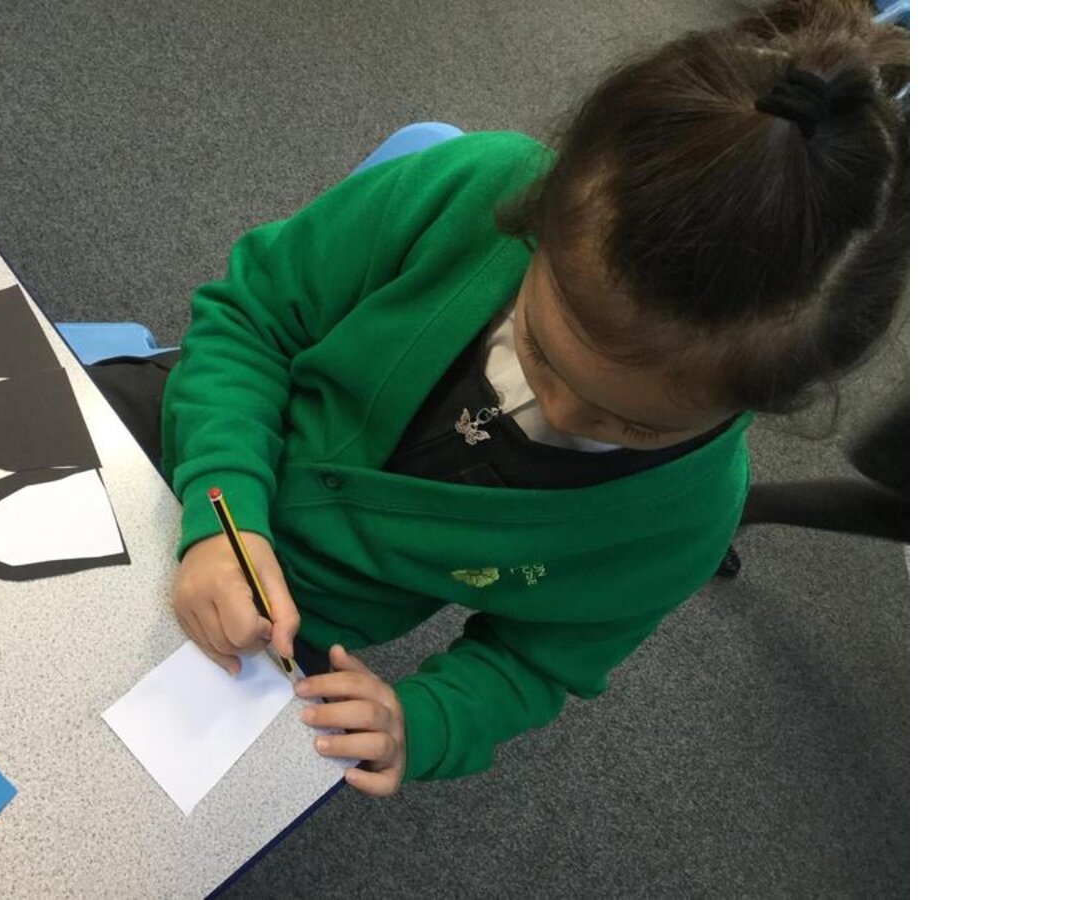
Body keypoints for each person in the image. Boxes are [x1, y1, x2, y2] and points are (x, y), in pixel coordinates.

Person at [88, 0, 909, 796]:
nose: (564, 414)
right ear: (537, 217)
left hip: (283, 629)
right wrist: (222, 504)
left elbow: (534, 663)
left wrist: (420, 722)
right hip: (179, 436)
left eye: (633, 424)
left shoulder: (683, 521)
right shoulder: (469, 191)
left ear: (765, 403)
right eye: (542, 352)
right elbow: (249, 320)